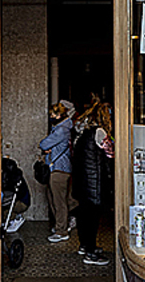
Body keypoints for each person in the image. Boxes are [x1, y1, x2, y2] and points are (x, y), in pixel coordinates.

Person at [71, 103, 114, 265]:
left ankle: (85, 245)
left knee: (84, 214)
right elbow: (110, 154)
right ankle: (91, 253)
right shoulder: (99, 132)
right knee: (92, 218)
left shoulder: (81, 133)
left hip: (82, 181)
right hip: (94, 182)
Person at [39, 102, 77, 242]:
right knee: (55, 199)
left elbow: (43, 144)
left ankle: (62, 231)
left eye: (53, 114)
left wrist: (46, 147)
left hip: (59, 169)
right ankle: (62, 224)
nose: (51, 116)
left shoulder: (61, 130)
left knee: (58, 202)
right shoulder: (61, 127)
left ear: (60, 115)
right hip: (57, 168)